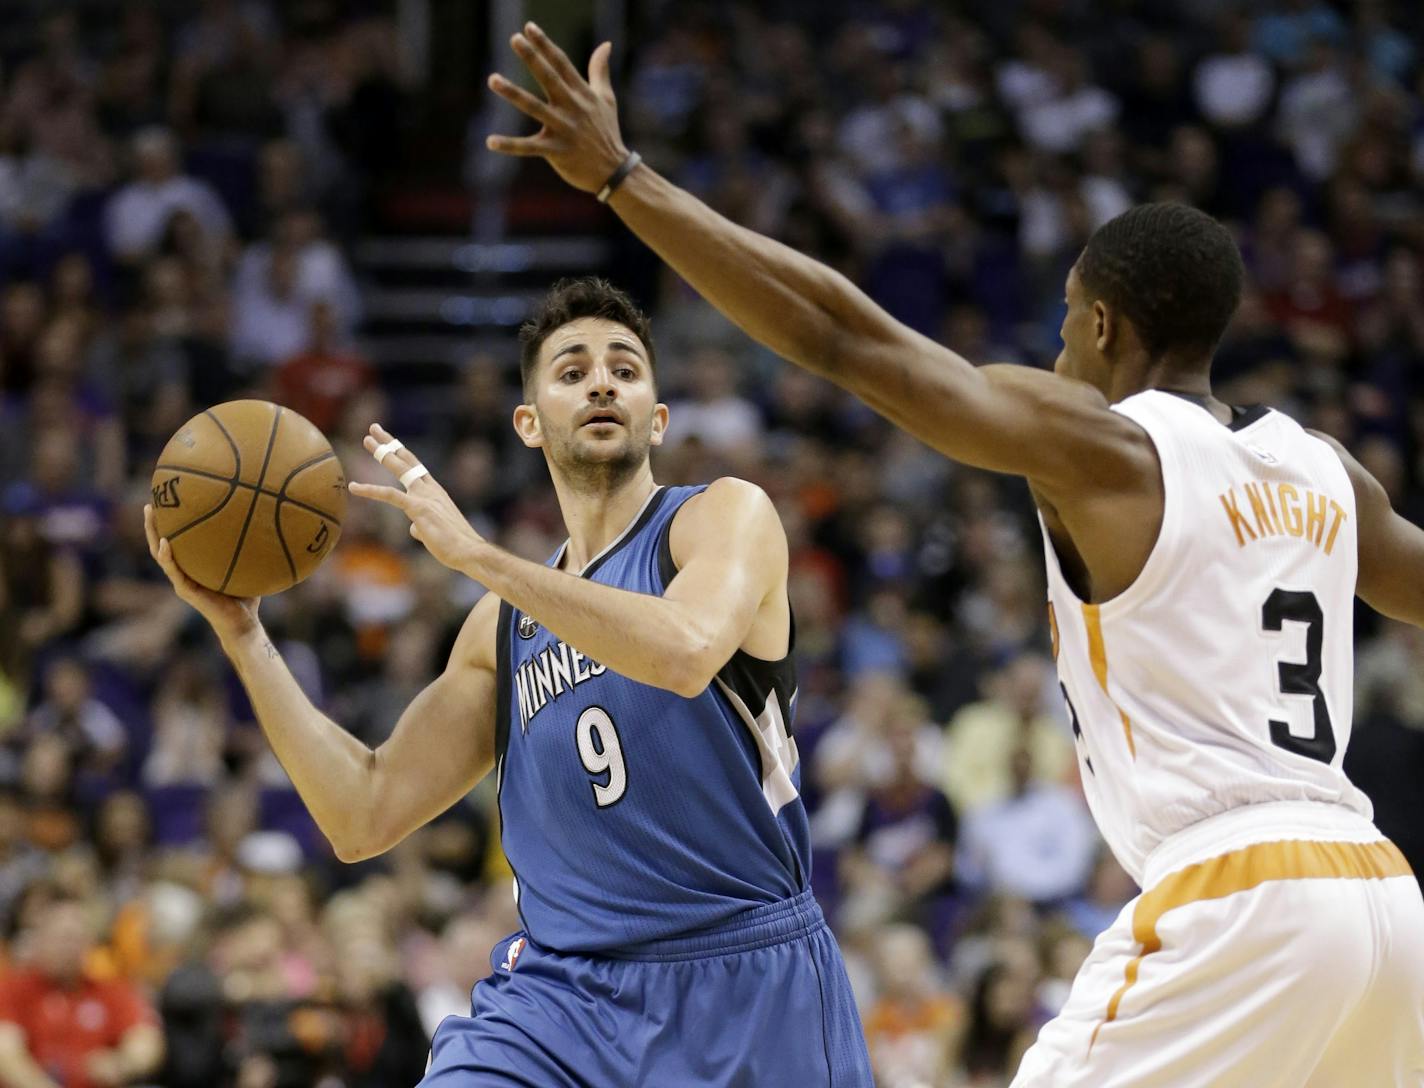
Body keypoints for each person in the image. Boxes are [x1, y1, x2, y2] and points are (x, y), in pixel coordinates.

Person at [486, 24, 1424, 1085]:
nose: (1059, 352)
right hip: (1382, 900)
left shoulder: (1107, 450)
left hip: (1236, 894)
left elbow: (846, 339)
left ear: (1105, 326)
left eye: (1067, 327)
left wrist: (623, 180)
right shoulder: (1325, 473)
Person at [144, 277, 873, 1086]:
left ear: (658, 417)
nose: (601, 381)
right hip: (560, 1000)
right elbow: (363, 812)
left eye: (625, 370)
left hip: (743, 980)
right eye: (571, 371)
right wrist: (244, 636)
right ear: (529, 423)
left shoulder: (721, 517)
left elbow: (685, 650)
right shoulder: (500, 626)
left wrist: (480, 557)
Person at [0, 891, 164, 1088]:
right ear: (38, 939)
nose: (69, 947)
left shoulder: (110, 990)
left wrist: (120, 1063)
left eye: (77, 938)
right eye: (62, 938)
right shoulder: (12, 989)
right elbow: (6, 1054)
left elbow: (147, 1041)